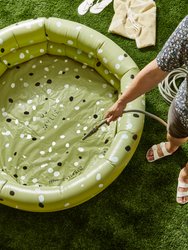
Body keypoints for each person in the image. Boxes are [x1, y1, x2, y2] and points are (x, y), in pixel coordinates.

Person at [105, 15, 188, 205]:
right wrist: (122, 102)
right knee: (174, 134)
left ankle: (186, 174)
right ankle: (172, 146)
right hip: (185, 110)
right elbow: (157, 71)